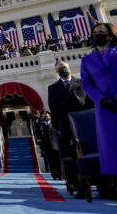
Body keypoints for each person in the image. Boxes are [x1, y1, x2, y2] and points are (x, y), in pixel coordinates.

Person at [48, 60, 93, 197]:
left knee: (89, 151)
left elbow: (90, 102)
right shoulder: (53, 88)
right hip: (67, 126)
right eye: (60, 69)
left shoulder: (81, 83)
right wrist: (66, 118)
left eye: (64, 67)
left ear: (70, 68)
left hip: (85, 125)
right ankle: (80, 186)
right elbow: (53, 108)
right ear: (56, 72)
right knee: (74, 156)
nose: (63, 70)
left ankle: (102, 183)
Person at [80, 23, 117, 183]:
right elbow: (87, 85)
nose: (97, 35)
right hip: (104, 107)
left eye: (101, 32)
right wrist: (102, 99)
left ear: (110, 35)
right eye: (94, 32)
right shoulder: (87, 60)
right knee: (110, 144)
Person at [35, 113, 61, 180]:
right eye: (45, 117)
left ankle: (60, 174)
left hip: (55, 145)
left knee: (57, 160)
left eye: (47, 117)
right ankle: (54, 175)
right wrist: (42, 145)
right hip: (47, 146)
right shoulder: (40, 125)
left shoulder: (53, 124)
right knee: (51, 161)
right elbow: (38, 136)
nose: (47, 118)